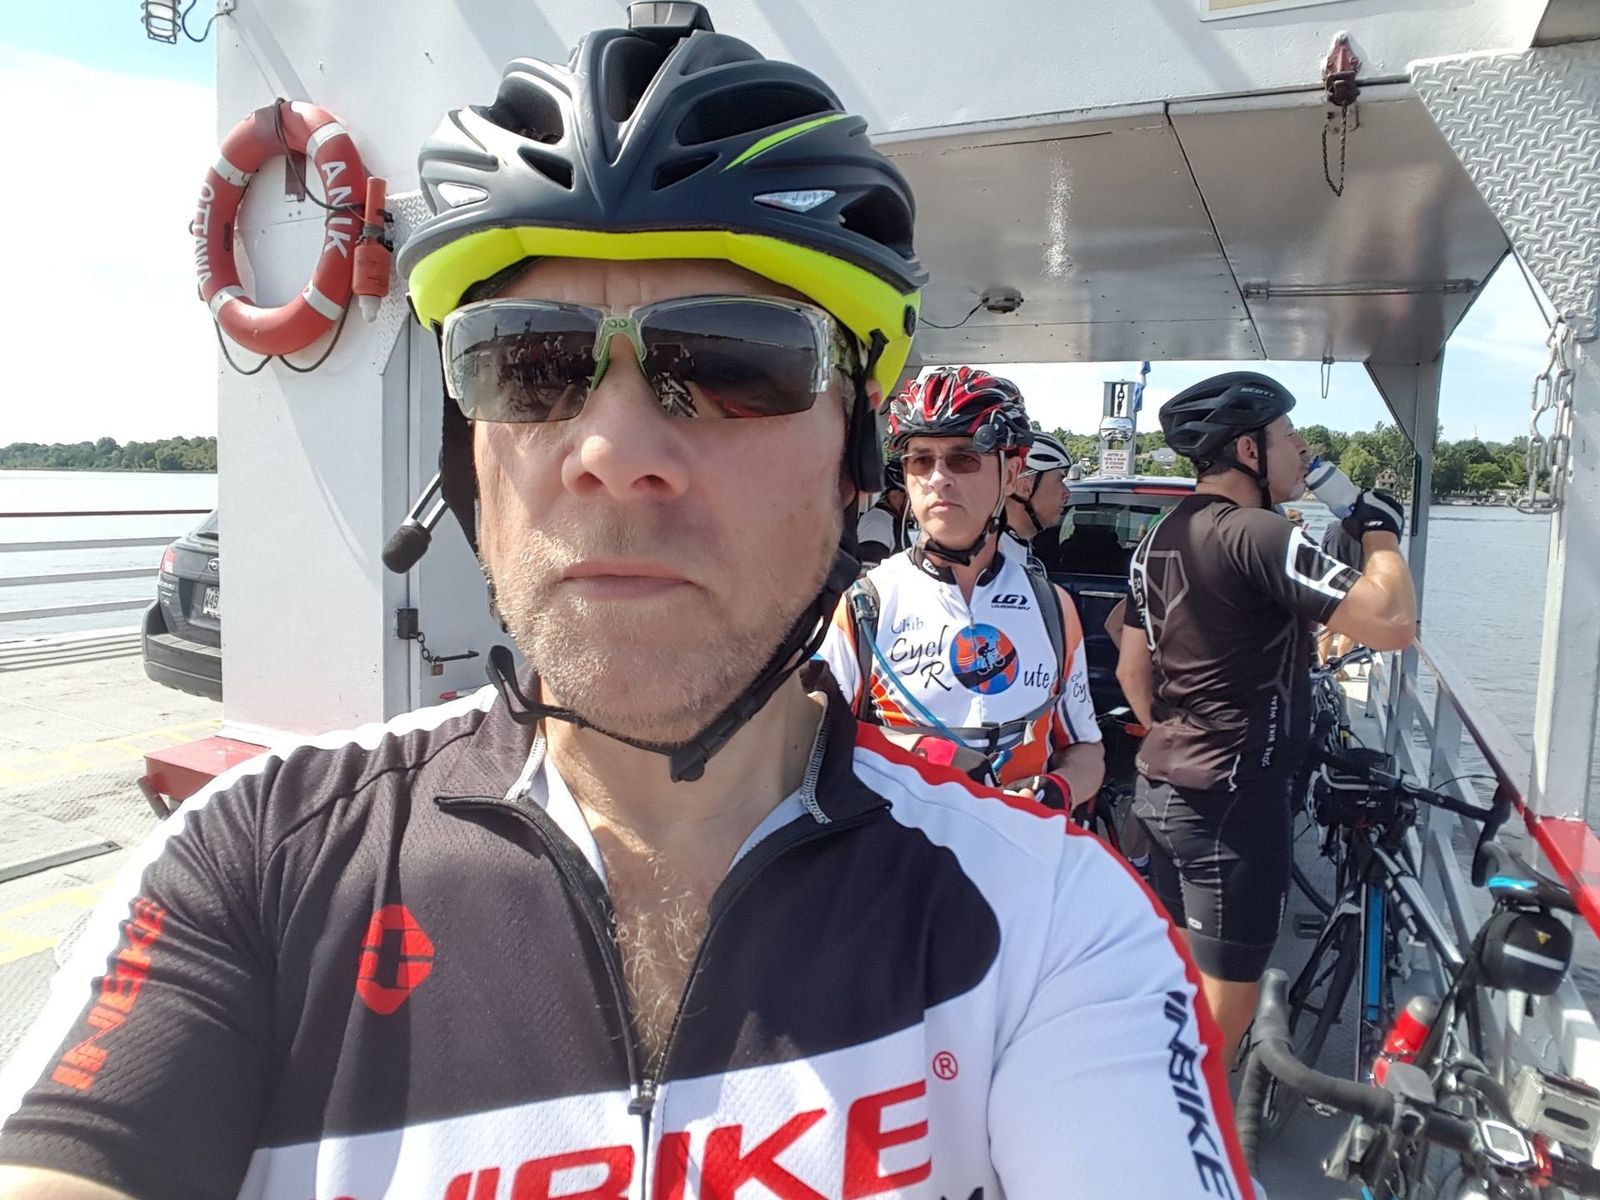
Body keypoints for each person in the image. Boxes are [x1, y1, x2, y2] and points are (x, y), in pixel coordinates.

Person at [0, 10, 1255, 1200]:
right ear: (464, 457)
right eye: (527, 362)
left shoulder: (1054, 925)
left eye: (732, 363)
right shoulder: (254, 868)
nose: (610, 450)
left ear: (851, 457)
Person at [1114, 370, 1415, 1063]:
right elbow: (1392, 621)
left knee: (1182, 976)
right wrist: (1380, 534)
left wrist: (1179, 734)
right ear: (1249, 451)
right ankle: (1192, 1121)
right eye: (1286, 435)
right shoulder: (1258, 533)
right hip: (1234, 803)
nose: (1301, 447)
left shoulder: (1158, 536)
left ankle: (1158, 1092)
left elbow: (1132, 668)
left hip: (1162, 791)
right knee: (1229, 999)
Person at [817, 368, 1105, 809]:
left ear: (1011, 475)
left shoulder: (1052, 606)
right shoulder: (864, 604)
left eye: (964, 459)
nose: (937, 478)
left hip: (1015, 842)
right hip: (900, 846)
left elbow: (1085, 747)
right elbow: (808, 744)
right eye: (920, 460)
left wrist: (1057, 792)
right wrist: (921, 754)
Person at [1005, 431, 1074, 548]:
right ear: (1025, 487)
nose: (1067, 493)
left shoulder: (1012, 548)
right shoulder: (995, 554)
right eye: (1059, 479)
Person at [1318, 517, 1366, 667]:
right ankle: (1340, 665)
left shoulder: (1332, 527)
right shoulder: (1365, 531)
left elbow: (1322, 553)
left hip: (1331, 582)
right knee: (1350, 628)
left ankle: (1322, 662)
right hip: (1356, 582)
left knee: (1328, 625)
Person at [855, 452, 908, 566]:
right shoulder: (877, 522)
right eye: (909, 497)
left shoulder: (892, 520)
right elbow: (867, 571)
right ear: (895, 494)